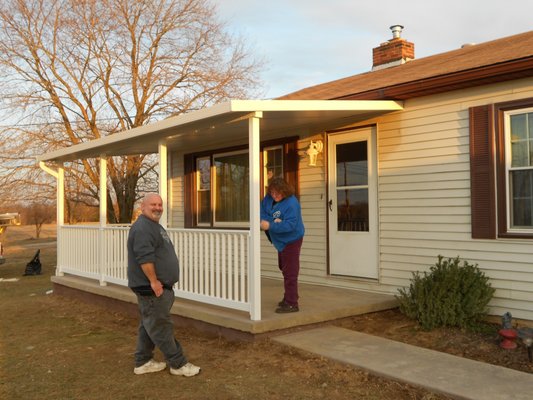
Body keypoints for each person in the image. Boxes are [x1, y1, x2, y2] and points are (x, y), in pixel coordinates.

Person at [127, 193, 200, 377]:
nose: (158, 207)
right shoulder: (143, 228)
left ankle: (142, 361)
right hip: (151, 287)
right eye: (153, 204)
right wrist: (154, 281)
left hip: (158, 286)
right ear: (142, 207)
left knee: (149, 324)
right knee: (160, 326)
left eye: (160, 204)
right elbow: (144, 258)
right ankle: (178, 363)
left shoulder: (153, 226)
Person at [260, 177, 305, 313]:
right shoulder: (267, 199)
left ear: (285, 191)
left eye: (278, 193)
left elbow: (290, 225)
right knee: (284, 267)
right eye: (272, 192)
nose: (275, 196)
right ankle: (289, 297)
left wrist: (271, 224)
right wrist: (274, 221)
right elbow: (261, 213)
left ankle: (292, 303)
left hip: (292, 239)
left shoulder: (292, 203)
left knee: (290, 271)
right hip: (279, 241)